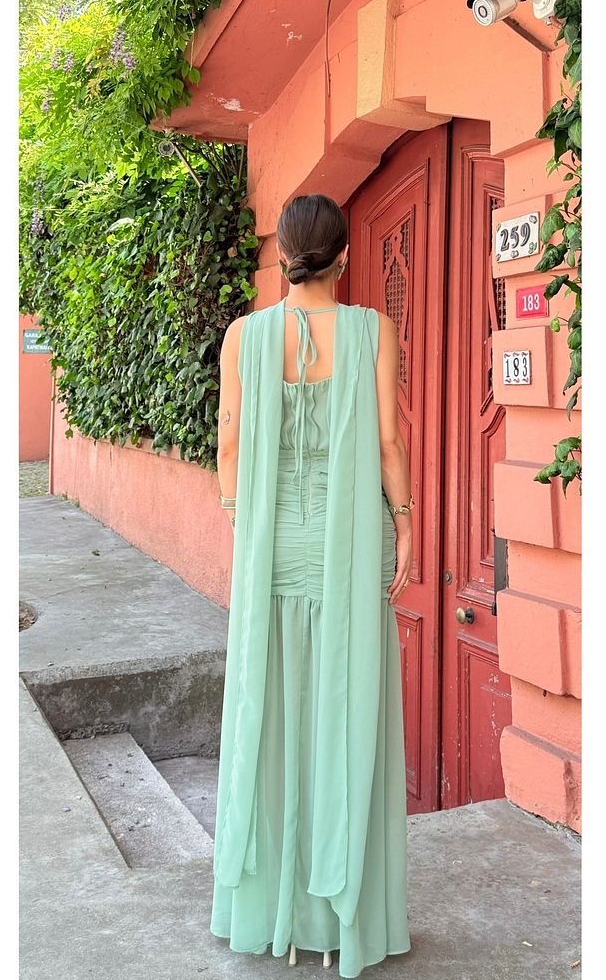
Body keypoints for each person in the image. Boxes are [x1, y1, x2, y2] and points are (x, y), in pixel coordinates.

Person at [209, 194, 414, 977]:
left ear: (281, 255)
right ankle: (343, 920)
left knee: (267, 712)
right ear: (345, 256)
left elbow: (230, 442)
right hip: (349, 539)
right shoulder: (372, 330)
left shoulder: (244, 335)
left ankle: (268, 912)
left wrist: (241, 519)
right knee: (345, 707)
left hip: (271, 542)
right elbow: (387, 441)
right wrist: (406, 521)